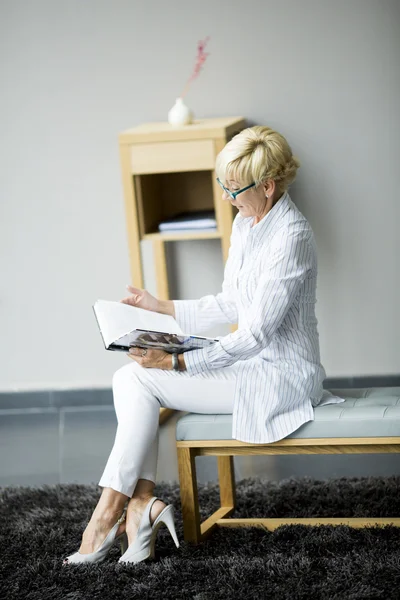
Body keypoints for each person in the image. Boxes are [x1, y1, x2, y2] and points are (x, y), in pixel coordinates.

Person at [63, 125, 345, 565]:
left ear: (267, 187)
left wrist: (178, 363)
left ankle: (111, 513)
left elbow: (257, 335)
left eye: (234, 188)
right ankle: (136, 509)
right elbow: (230, 302)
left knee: (138, 380)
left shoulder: (292, 236)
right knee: (131, 376)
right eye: (223, 184)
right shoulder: (248, 223)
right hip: (249, 363)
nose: (227, 196)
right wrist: (161, 306)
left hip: (279, 376)